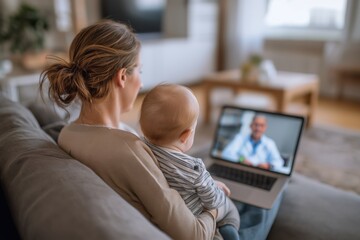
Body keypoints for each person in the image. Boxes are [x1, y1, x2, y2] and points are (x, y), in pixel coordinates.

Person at [40, 19, 283, 240]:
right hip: (206, 229)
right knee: (266, 201)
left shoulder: (68, 133)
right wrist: (216, 207)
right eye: (140, 70)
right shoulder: (128, 148)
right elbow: (193, 234)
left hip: (185, 199)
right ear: (122, 77)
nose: (142, 83)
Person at [140, 84, 240, 240]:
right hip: (196, 220)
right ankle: (230, 232)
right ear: (186, 135)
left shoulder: (142, 147)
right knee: (229, 206)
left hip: (171, 221)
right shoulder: (194, 168)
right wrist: (216, 188)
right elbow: (213, 201)